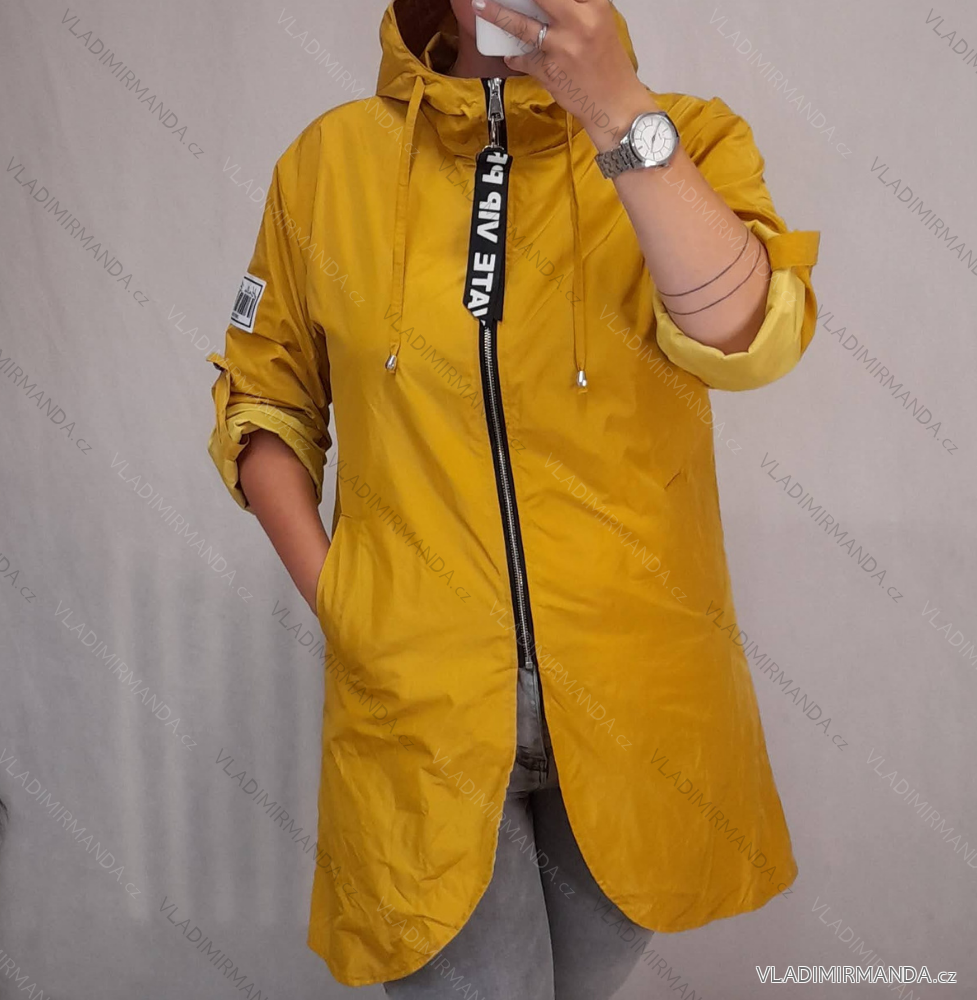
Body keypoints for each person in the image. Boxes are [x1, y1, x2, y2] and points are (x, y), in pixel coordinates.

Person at [203, 0, 820, 995]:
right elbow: (263, 394)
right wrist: (345, 600)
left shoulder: (686, 137)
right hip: (424, 707)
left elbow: (752, 340)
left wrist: (613, 109)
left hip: (641, 700)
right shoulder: (330, 166)